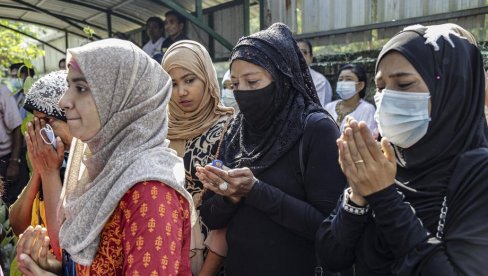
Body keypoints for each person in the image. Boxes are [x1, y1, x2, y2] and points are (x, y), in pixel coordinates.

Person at [316, 23, 488, 275]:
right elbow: (332, 256)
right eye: (381, 87)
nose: (386, 99)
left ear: (452, 88)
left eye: (404, 84)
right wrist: (358, 195)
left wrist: (383, 196)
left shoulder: (478, 173)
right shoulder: (385, 159)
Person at [15, 38, 195, 275]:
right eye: (69, 87)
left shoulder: (150, 191)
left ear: (120, 98)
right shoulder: (99, 168)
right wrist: (59, 268)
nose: (64, 101)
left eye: (80, 88)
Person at [196, 23, 346, 275]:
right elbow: (211, 217)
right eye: (235, 84)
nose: (242, 92)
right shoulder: (237, 130)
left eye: (252, 82)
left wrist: (255, 191)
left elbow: (329, 228)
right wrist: (228, 195)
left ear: (282, 78)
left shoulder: (316, 129)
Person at [162, 40, 234, 275]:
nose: (181, 91)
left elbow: (229, 204)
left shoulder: (228, 129)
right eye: (173, 84)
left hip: (212, 252)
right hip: (165, 245)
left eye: (189, 80)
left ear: (207, 76)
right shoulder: (160, 129)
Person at [9, 70, 71, 261]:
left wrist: (50, 173)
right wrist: (38, 172)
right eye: (37, 121)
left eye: (49, 120)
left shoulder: (86, 167)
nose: (43, 130)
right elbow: (18, 225)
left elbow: (64, 247)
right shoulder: (49, 162)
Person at [325, 64, 377, 136]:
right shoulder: (329, 107)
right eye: (340, 79)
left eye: (348, 79)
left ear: (360, 85)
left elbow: (367, 136)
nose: (343, 83)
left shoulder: (367, 109)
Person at [0, 83, 29, 206]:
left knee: (16, 204)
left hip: (8, 159)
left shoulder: (2, 91)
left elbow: (17, 127)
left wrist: (14, 162)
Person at [297, 39, 333, 107]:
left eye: (303, 52)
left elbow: (316, 109)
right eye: (295, 52)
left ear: (311, 57)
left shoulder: (319, 81)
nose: (299, 56)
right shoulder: (285, 78)